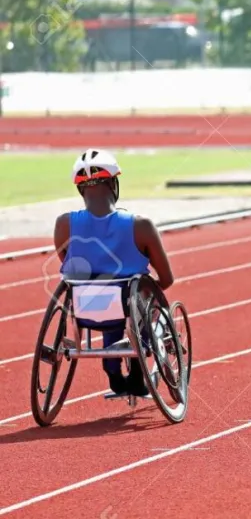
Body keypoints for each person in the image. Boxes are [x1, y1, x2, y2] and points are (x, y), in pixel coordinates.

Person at [53, 149, 175, 397]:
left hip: (84, 308)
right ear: (113, 183)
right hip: (129, 307)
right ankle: (138, 368)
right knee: (135, 295)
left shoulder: (64, 224)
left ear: (80, 189)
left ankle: (113, 372)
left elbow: (68, 263)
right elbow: (167, 279)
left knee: (107, 294)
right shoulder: (141, 225)